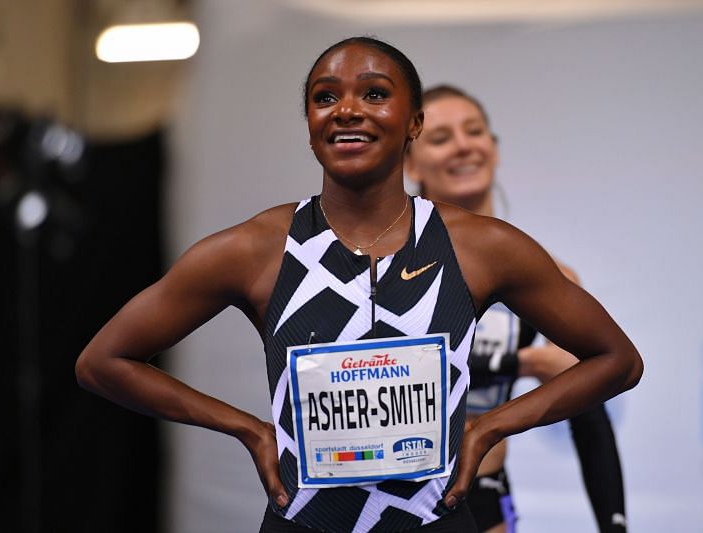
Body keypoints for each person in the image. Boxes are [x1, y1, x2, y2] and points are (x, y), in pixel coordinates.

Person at [75, 37, 643, 533]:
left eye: (374, 94)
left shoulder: (480, 246)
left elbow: (616, 359)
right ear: (310, 124)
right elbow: (103, 362)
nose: (347, 109)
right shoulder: (256, 248)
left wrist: (487, 428)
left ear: (414, 123)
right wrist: (248, 430)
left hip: (436, 520)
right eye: (325, 97)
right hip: (304, 523)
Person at [405, 84, 628, 533]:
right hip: (387, 494)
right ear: (409, 163)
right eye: (442, 137)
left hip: (483, 491)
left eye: (474, 131)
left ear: (494, 148)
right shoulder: (388, 266)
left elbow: (589, 405)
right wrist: (525, 361)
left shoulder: (548, 275)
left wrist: (614, 524)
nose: (464, 145)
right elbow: (393, 371)